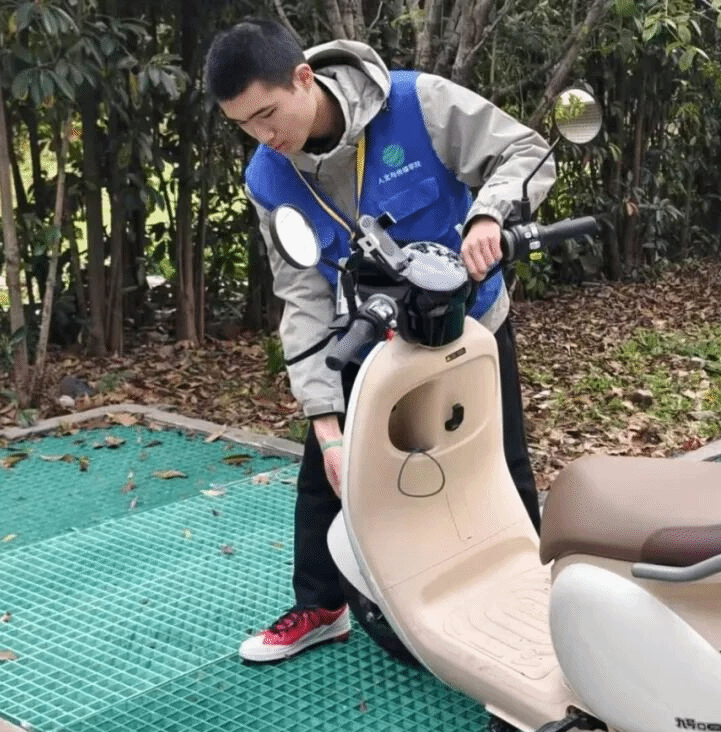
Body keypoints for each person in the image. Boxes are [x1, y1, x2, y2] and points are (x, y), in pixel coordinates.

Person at [203, 17, 553, 663]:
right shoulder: (269, 178)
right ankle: (322, 605)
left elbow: (525, 151)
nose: (263, 137)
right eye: (244, 125)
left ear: (303, 78)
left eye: (267, 114)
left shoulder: (417, 102)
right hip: (368, 336)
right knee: (324, 473)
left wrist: (487, 214)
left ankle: (531, 607)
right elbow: (302, 295)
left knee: (500, 463)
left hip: (468, 325)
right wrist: (326, 424)